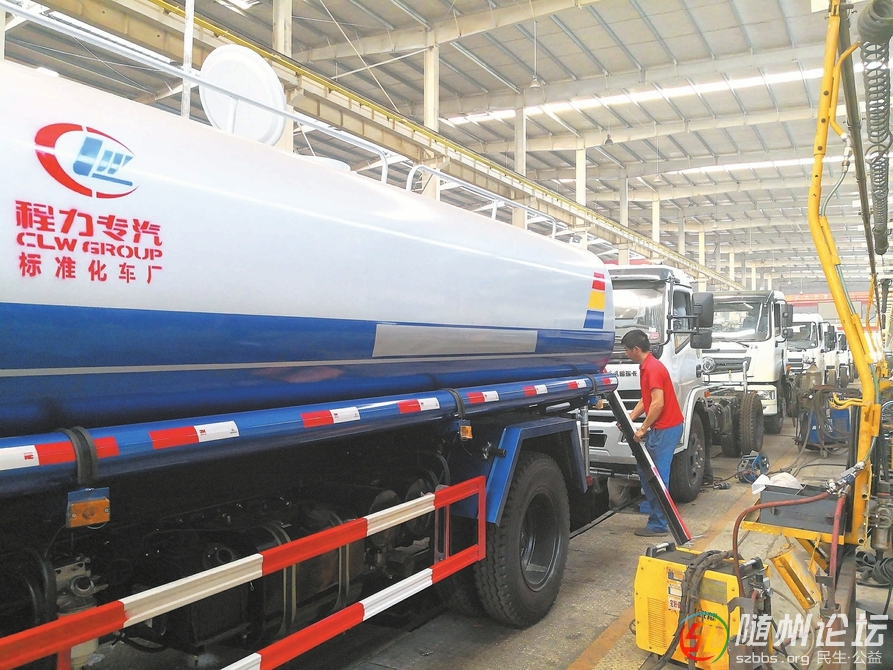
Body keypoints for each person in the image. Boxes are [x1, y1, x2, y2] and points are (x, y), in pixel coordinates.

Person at [621, 329, 685, 537]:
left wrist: (642, 428)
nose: (625, 354)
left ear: (636, 349)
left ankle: (658, 524)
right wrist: (630, 418)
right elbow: (646, 400)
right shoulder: (647, 367)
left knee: (656, 476)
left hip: (666, 428)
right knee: (645, 470)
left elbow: (657, 404)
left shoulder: (653, 369)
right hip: (663, 427)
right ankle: (655, 510)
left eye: (627, 350)